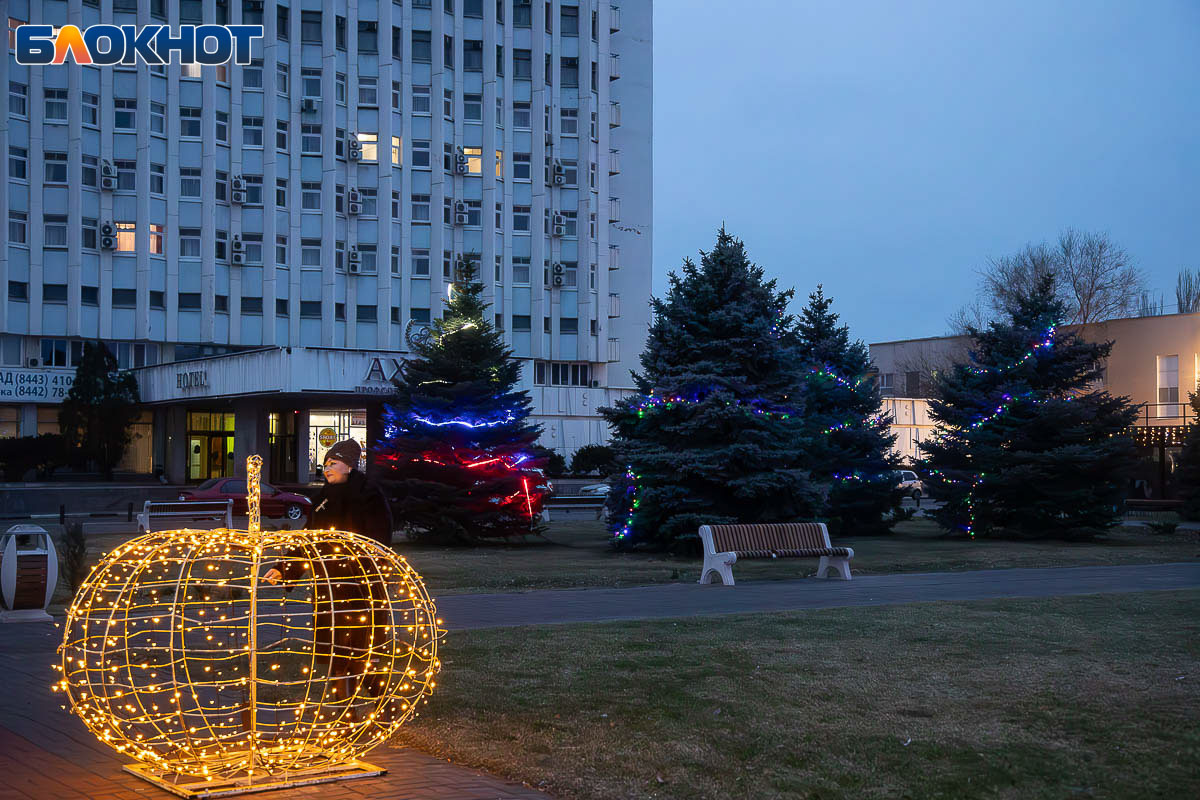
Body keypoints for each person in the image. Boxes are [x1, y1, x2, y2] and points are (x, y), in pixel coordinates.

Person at [262, 439, 394, 709]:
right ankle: (342, 705)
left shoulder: (368, 495)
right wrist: (283, 568)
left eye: (333, 463)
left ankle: (376, 695)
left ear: (349, 465)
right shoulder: (323, 499)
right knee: (336, 649)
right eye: (324, 464)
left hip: (359, 587)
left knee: (361, 646)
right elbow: (307, 541)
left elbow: (378, 540)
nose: (327, 469)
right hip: (328, 587)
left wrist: (365, 569)